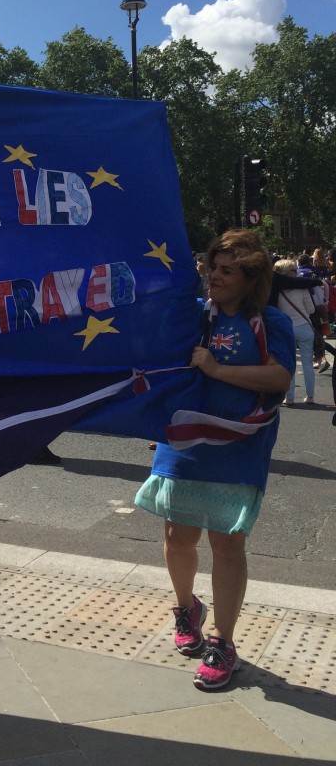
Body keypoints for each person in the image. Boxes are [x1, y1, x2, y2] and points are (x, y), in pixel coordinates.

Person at [135, 229, 294, 691]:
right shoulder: (191, 316)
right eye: (213, 267)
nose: (215, 277)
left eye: (227, 271)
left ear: (251, 279)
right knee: (176, 535)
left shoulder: (270, 323)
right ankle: (187, 609)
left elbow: (280, 379)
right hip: (184, 443)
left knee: (227, 545)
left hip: (238, 447)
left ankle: (224, 641)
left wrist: (218, 369)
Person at [272, 259, 317, 404]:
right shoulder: (302, 288)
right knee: (307, 363)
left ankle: (289, 397)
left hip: (286, 328)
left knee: (289, 363)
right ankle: (310, 396)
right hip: (304, 325)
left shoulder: (277, 289)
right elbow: (311, 309)